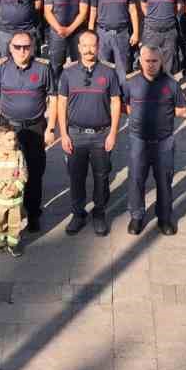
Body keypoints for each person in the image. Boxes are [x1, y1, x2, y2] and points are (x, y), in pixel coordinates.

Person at [55, 30, 122, 236]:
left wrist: (113, 134)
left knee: (102, 176)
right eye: (84, 45)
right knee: (76, 177)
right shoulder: (68, 73)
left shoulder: (108, 73)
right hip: (76, 134)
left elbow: (115, 102)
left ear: (98, 46)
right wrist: (63, 134)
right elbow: (61, 103)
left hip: (102, 134)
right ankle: (78, 214)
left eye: (92, 45)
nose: (88, 49)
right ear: (79, 47)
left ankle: (99, 213)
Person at [0, 31, 56, 229]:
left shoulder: (43, 67)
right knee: (7, 172)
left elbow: (54, 98)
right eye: (17, 47)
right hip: (9, 128)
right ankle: (8, 214)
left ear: (33, 48)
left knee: (34, 172)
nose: (22, 51)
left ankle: (33, 213)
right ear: (10, 48)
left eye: (26, 46)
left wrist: (51, 128)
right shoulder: (0, 68)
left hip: (35, 128)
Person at [123, 46, 186, 236]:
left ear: (161, 62)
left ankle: (164, 218)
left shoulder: (171, 84)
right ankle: (136, 216)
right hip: (138, 140)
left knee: (164, 181)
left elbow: (182, 108)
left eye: (154, 61)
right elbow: (125, 105)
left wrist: (162, 115)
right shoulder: (131, 83)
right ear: (140, 61)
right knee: (136, 179)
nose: (150, 65)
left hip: (163, 142)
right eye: (147, 61)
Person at [0, 117, 29, 257]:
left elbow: (24, 172)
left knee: (15, 223)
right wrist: (2, 188)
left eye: (14, 139)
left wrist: (17, 187)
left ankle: (13, 244)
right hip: (0, 198)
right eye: (9, 140)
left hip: (15, 199)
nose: (13, 142)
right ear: (0, 140)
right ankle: (0, 242)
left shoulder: (19, 154)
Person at [89, 0, 138, 81]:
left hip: (121, 34)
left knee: (122, 69)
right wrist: (90, 33)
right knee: (102, 67)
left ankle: (121, 96)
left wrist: (136, 33)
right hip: (102, 34)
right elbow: (93, 12)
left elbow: (133, 11)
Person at [138, 0, 183, 77]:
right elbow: (143, 4)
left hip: (169, 31)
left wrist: (168, 16)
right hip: (151, 31)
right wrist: (151, 16)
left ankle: (166, 89)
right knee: (149, 62)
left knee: (168, 63)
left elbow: (178, 6)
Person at [43, 0, 88, 68]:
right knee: (56, 65)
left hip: (76, 31)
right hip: (57, 32)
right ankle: (55, 85)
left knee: (79, 64)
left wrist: (70, 29)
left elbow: (83, 13)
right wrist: (59, 29)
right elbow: (47, 12)